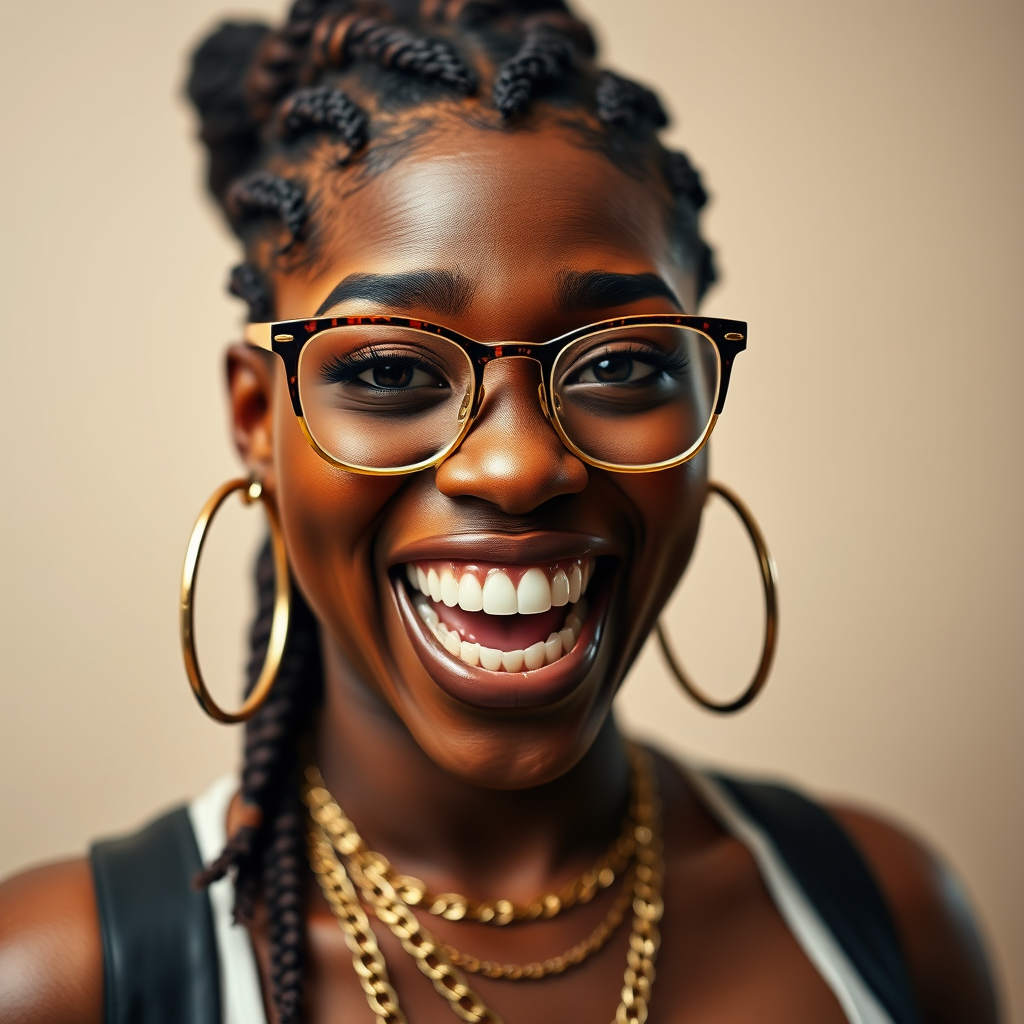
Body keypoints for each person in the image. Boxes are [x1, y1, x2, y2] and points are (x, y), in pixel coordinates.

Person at [0, 1, 1000, 1022]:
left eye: (617, 363)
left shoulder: (887, 909)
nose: (520, 466)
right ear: (259, 414)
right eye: (390, 368)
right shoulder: (57, 980)